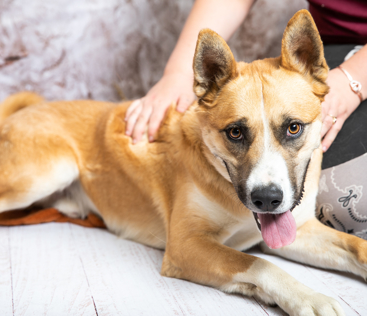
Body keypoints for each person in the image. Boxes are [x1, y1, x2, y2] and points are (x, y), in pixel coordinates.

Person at [125, 0, 367, 239]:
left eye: (293, 128)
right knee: (340, 204)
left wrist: (353, 78)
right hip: (336, 44)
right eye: (236, 133)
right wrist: (178, 73)